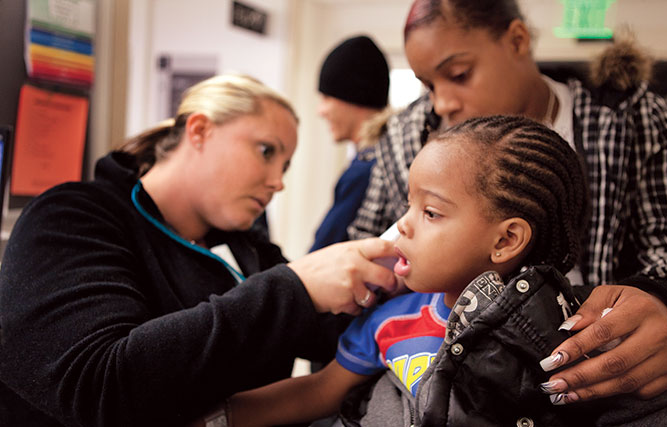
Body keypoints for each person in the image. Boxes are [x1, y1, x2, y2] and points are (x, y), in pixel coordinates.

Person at [219, 116, 667, 426]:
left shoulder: (578, 331)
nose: (403, 225)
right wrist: (212, 416)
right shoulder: (390, 318)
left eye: (431, 212)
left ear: (506, 240)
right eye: (408, 205)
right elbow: (316, 392)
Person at [0, 74, 399, 427]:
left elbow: (328, 332)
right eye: (266, 151)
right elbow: (100, 387)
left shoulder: (248, 247)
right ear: (199, 131)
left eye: (286, 165)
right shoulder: (74, 215)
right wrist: (295, 288)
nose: (278, 182)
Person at [348, 0, 667, 404]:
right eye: (428, 85)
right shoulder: (407, 136)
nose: (442, 103)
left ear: (517, 39)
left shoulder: (628, 119)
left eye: (459, 74)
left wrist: (663, 300)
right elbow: (365, 255)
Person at [310, 35, 391, 252]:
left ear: (354, 98)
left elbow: (322, 251)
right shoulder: (390, 156)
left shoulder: (366, 169)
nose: (321, 110)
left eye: (327, 98)